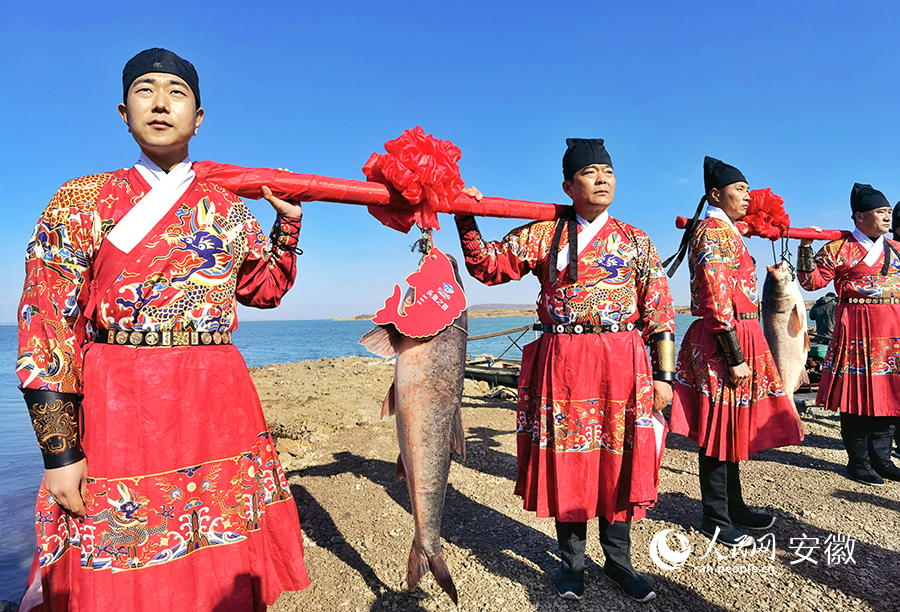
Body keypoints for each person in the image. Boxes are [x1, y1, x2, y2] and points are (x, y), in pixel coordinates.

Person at [16, 48, 310, 611]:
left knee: (219, 546)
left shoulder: (229, 207)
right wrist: (58, 452)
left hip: (218, 398)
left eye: (177, 92)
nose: (159, 102)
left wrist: (288, 223)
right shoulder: (79, 200)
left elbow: (263, 290)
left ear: (198, 117)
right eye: (144, 89)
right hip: (119, 401)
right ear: (123, 112)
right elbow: (46, 324)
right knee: (117, 546)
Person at [455, 139, 675, 603]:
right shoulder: (544, 234)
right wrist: (463, 214)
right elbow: (487, 266)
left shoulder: (637, 240)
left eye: (608, 173)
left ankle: (619, 562)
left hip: (623, 359)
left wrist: (663, 377)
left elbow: (660, 313)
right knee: (570, 456)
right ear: (567, 186)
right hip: (565, 360)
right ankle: (572, 564)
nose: (602, 180)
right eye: (591, 173)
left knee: (620, 457)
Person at [667, 157, 803, 548]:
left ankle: (734, 505)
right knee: (717, 430)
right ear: (715, 194)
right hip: (723, 338)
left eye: (747, 190)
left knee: (731, 427)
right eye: (739, 190)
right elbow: (713, 294)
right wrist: (734, 355)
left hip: (742, 330)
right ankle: (716, 516)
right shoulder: (710, 231)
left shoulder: (725, 229)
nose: (746, 196)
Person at [797, 183, 900, 486]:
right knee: (856, 397)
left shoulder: (895, 249)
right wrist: (804, 246)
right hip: (855, 328)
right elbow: (811, 282)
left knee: (889, 394)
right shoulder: (837, 247)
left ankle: (882, 459)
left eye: (888, 212)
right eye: (880, 212)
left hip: (893, 331)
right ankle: (859, 462)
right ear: (859, 216)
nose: (887, 217)